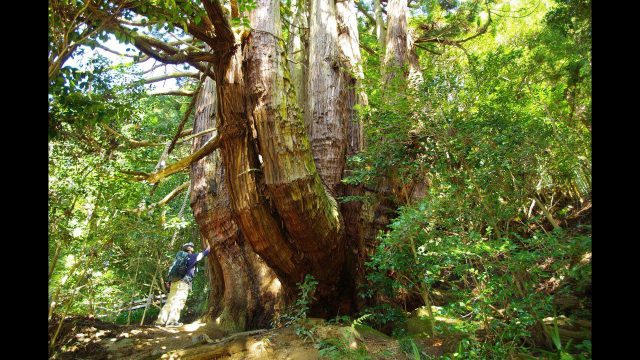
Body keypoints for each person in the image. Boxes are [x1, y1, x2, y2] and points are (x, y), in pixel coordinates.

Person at [155, 242, 211, 327]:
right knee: (179, 301)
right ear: (190, 248)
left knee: (170, 301)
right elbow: (205, 253)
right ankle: (172, 321)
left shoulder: (179, 258)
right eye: (192, 247)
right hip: (183, 283)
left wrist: (169, 282)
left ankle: (160, 321)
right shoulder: (192, 257)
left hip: (174, 282)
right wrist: (209, 245)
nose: (193, 248)